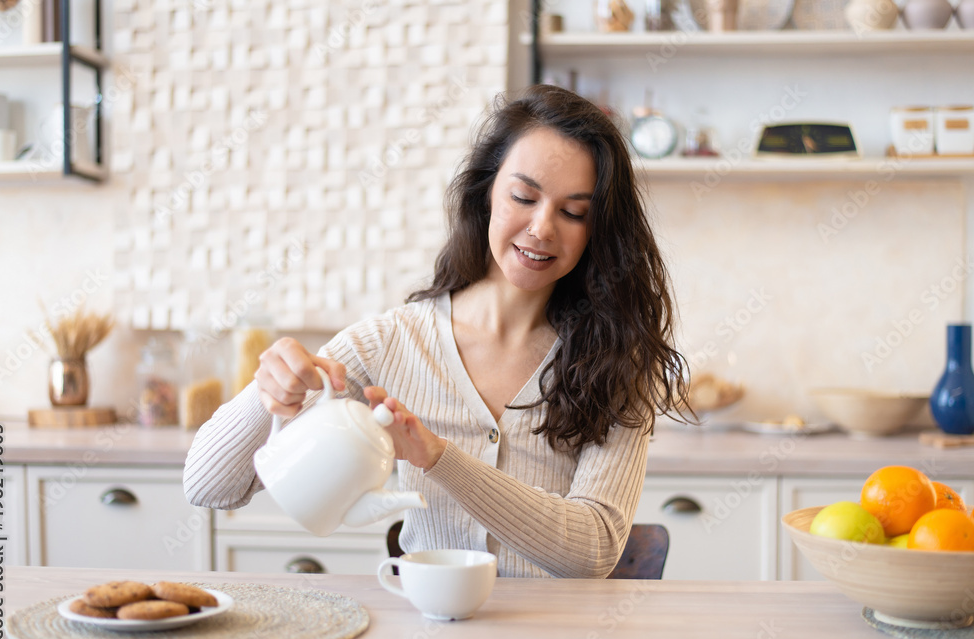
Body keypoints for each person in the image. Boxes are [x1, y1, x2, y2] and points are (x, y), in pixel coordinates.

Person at [184, 84, 687, 578]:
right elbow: (208, 487)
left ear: (596, 230)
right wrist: (270, 395)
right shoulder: (388, 344)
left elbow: (592, 550)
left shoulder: (617, 361)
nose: (542, 228)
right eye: (523, 196)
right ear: (485, 192)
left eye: (573, 212)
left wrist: (439, 457)